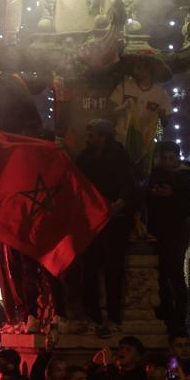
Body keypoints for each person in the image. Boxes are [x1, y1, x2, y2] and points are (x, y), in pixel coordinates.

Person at [75, 118, 136, 337]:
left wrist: (121, 201)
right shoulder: (84, 158)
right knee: (89, 269)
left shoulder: (119, 155)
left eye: (91, 135)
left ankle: (113, 318)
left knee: (114, 270)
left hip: (115, 220)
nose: (87, 139)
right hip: (93, 221)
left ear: (102, 137)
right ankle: (93, 317)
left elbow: (130, 182)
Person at [145, 141, 190, 335]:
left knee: (174, 273)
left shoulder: (185, 177)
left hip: (175, 233)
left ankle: (178, 318)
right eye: (165, 158)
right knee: (161, 275)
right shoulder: (155, 174)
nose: (168, 162)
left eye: (171, 158)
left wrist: (171, 195)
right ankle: (165, 314)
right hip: (158, 232)